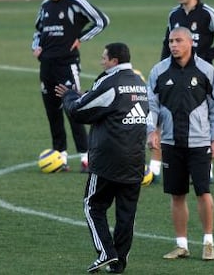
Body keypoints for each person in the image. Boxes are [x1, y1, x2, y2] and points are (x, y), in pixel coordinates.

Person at [55, 42, 148, 273]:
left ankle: (106, 252)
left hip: (109, 160)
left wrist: (69, 97)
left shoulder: (111, 82)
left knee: (93, 205)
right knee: (126, 213)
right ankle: (119, 263)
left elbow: (79, 111)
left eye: (104, 58)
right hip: (135, 159)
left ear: (114, 61)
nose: (101, 61)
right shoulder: (139, 82)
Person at [147, 27, 214, 261]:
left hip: (200, 142)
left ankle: (208, 242)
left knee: (203, 192)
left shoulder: (206, 70)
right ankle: (181, 244)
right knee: (176, 194)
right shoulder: (159, 71)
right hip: (171, 143)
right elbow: (150, 105)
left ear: (190, 42)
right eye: (171, 41)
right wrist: (152, 130)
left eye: (178, 40)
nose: (173, 45)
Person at [148, 0, 214, 183]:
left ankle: (207, 168)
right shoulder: (173, 15)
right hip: (173, 73)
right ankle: (155, 168)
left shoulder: (208, 14)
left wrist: (207, 56)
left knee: (202, 118)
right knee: (162, 113)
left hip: (200, 76)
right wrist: (163, 66)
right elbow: (166, 43)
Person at [32, 0, 110, 173]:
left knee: (74, 109)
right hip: (46, 65)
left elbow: (102, 21)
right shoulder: (45, 6)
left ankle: (86, 158)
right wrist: (36, 47)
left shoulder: (75, 2)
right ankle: (60, 157)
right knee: (52, 112)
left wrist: (81, 38)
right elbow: (38, 31)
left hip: (67, 65)